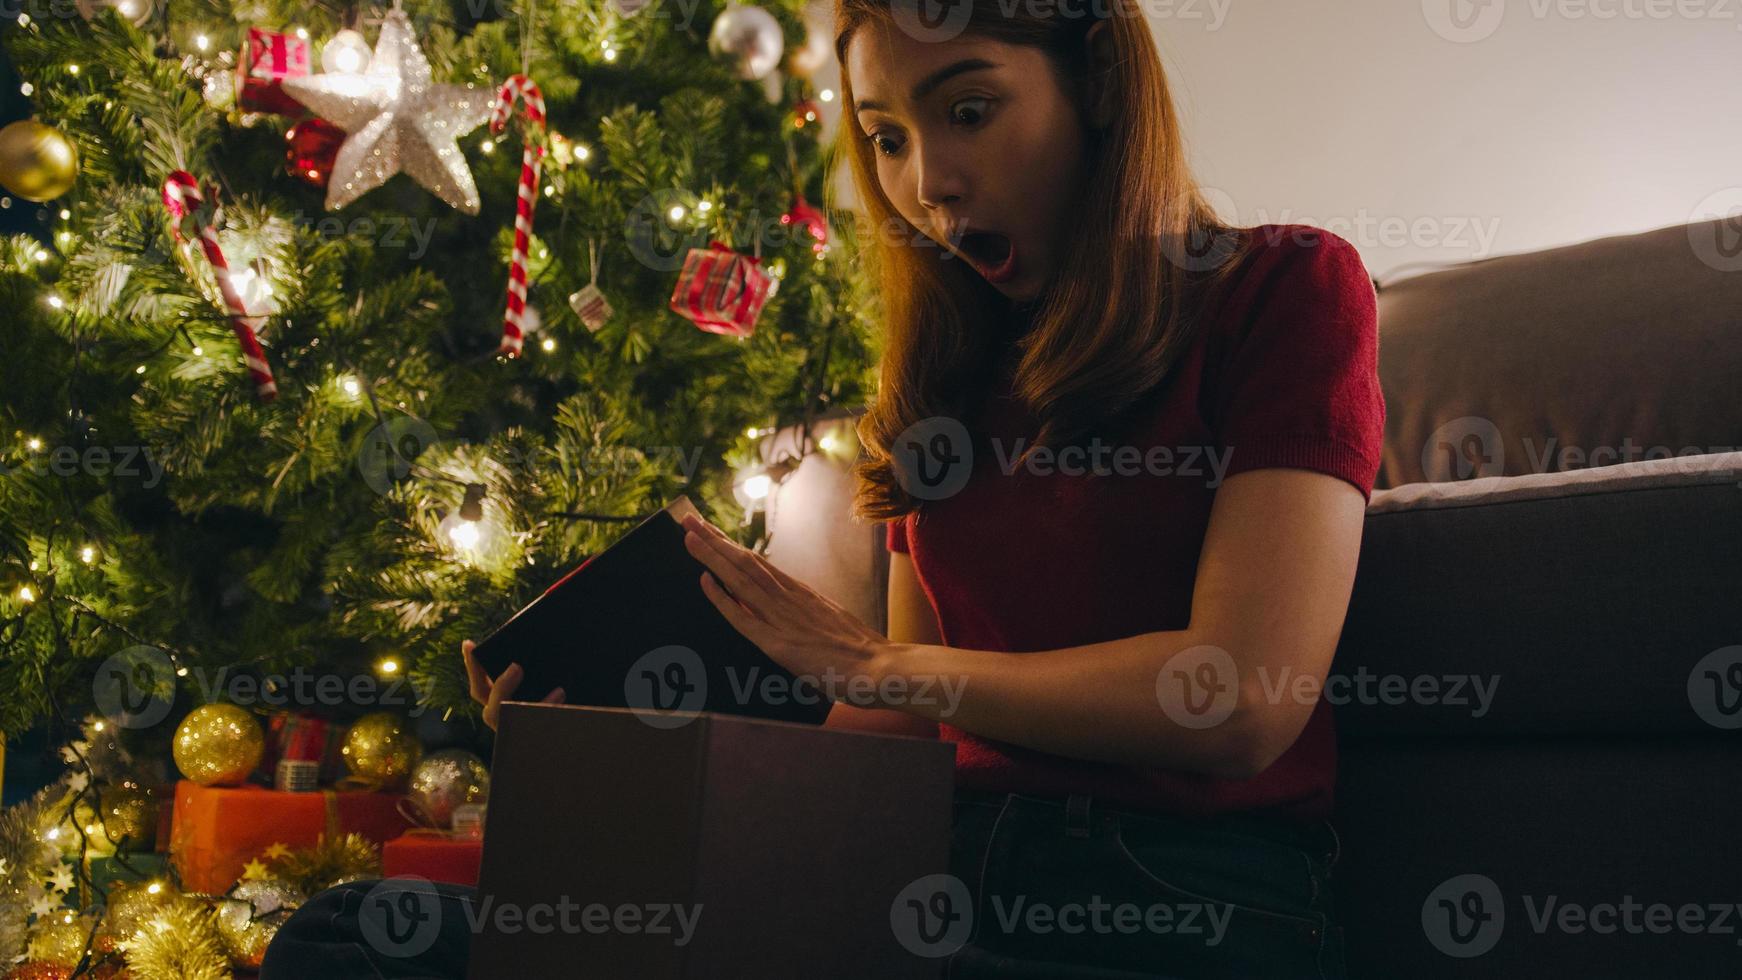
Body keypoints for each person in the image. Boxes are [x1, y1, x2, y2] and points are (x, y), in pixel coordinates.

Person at [263, 0, 1380, 976]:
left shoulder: (1280, 288)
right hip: (911, 883)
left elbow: (1240, 695)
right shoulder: (946, 382)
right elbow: (890, 732)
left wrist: (884, 664)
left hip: (1172, 895)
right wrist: (614, 745)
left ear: (1094, 80)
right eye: (886, 138)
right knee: (358, 930)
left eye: (969, 110)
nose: (926, 183)